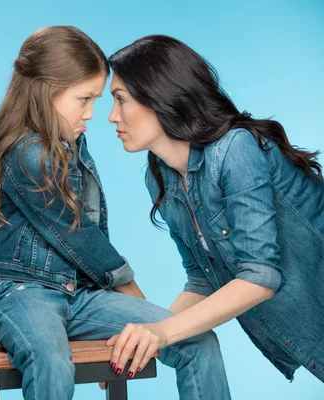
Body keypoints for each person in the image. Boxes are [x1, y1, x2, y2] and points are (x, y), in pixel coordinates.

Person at [0, 26, 231, 399]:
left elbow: (92, 237)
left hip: (79, 297)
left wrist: (141, 324)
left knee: (196, 340)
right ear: (46, 91)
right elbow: (82, 239)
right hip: (18, 295)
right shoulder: (28, 154)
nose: (93, 113)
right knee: (50, 359)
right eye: (84, 99)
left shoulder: (73, 146)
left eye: (97, 100)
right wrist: (137, 306)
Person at [106, 34, 324, 383]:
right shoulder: (161, 178)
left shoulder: (235, 150)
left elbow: (260, 278)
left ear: (158, 96)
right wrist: (143, 339)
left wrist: (162, 333)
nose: (111, 117)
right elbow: (203, 279)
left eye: (120, 100)